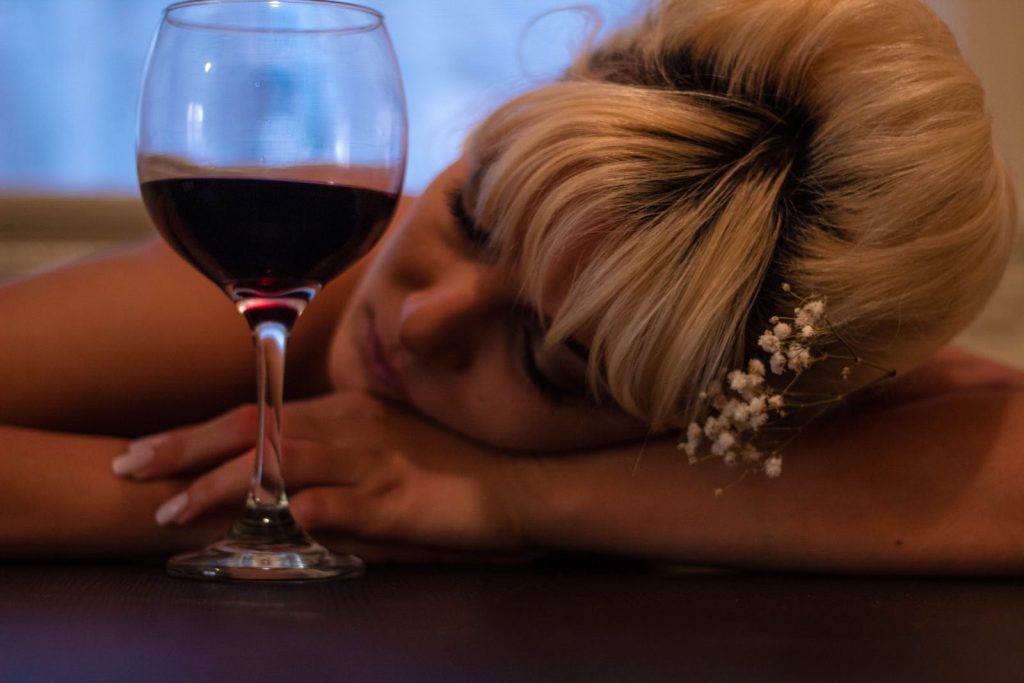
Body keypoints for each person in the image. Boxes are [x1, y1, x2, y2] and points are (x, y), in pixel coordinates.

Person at [1, 0, 1021, 572]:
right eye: (468, 216)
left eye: (548, 361)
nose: (421, 314)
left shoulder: (754, 347)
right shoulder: (308, 271)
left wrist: (512, 495)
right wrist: (291, 503)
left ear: (715, 419)